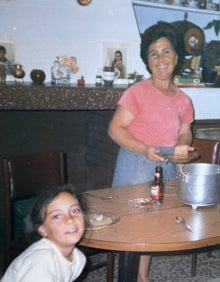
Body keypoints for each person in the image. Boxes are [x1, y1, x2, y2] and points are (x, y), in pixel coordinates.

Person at [108, 21, 195, 282]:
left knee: (154, 220)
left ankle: (143, 276)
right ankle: (126, 276)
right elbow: (115, 129)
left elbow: (185, 130)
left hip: (166, 163)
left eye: (166, 51)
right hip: (137, 159)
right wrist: (144, 150)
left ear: (177, 57)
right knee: (131, 220)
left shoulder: (184, 100)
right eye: (153, 53)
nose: (160, 59)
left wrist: (182, 144)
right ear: (147, 60)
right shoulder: (138, 92)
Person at [1, 184, 86, 282]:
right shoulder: (41, 261)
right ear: (43, 230)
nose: (70, 220)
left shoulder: (78, 258)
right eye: (57, 216)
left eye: (75, 211)